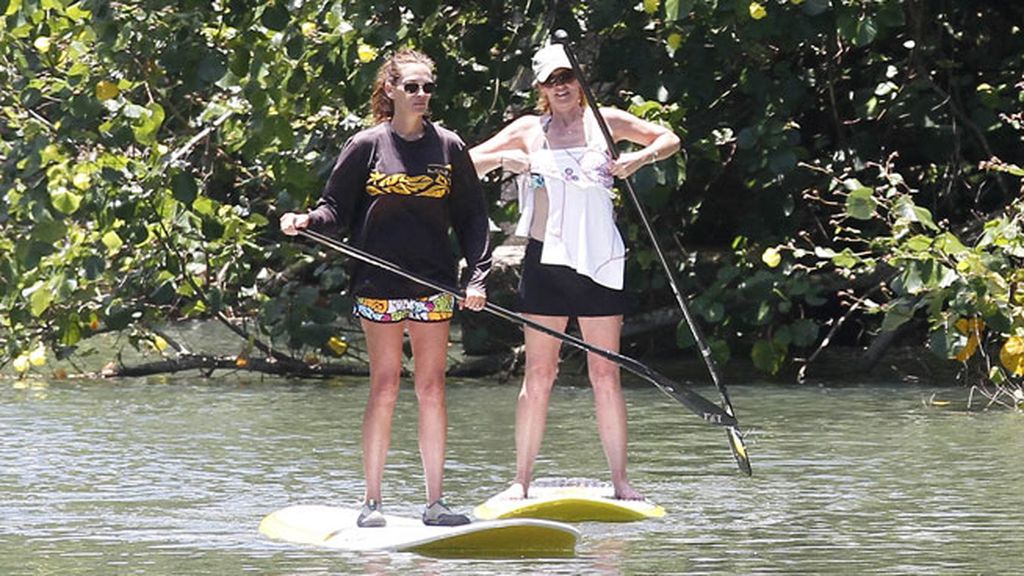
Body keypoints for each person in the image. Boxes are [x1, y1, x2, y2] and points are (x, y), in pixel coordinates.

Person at [280, 48, 491, 527]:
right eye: (411, 87)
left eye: (428, 88)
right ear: (390, 90)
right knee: (385, 387)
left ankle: (435, 503)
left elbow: (473, 218)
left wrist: (477, 276)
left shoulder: (449, 147)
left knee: (432, 388)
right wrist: (306, 220)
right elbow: (334, 209)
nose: (421, 95)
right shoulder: (367, 145)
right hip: (378, 285)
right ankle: (371, 502)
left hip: (432, 283)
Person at [469, 44, 680, 501]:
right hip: (546, 262)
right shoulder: (529, 129)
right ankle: (520, 481)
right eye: (551, 81)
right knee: (539, 374)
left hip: (601, 261)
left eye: (568, 78)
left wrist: (637, 160)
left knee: (605, 374)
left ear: (579, 82)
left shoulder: (608, 121)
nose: (561, 87)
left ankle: (622, 482)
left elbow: (668, 139)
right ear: (541, 89)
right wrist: (507, 161)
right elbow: (467, 161)